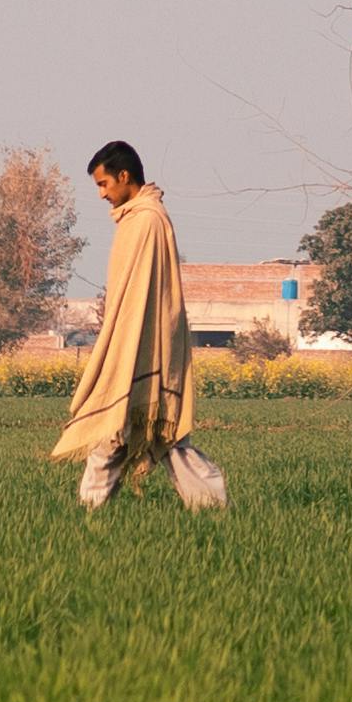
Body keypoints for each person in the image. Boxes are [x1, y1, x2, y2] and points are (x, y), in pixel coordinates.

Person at [53, 141, 227, 512]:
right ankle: (89, 516)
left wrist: (123, 346)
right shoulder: (137, 219)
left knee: (162, 440)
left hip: (145, 348)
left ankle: (212, 509)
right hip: (136, 346)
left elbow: (146, 299)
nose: (102, 194)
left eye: (103, 184)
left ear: (124, 176)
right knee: (115, 439)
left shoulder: (146, 219)